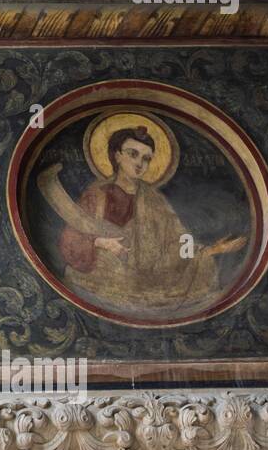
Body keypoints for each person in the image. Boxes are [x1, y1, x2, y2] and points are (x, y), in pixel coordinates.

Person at [58, 125, 247, 314]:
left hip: (148, 276)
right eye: (133, 154)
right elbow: (70, 239)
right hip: (105, 273)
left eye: (146, 159)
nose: (139, 163)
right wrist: (101, 242)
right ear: (117, 155)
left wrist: (211, 250)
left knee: (203, 268)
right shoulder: (96, 194)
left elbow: (177, 239)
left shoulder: (154, 200)